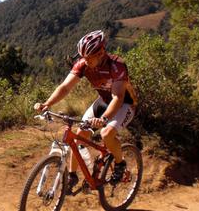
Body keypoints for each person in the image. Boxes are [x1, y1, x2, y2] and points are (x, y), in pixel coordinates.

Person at [35, 30, 137, 194]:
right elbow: (65, 87)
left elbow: (118, 97)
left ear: (101, 52)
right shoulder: (83, 64)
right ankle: (72, 176)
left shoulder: (117, 65)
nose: (85, 60)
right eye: (83, 57)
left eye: (89, 57)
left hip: (125, 105)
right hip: (103, 102)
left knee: (106, 133)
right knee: (80, 135)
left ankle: (120, 164)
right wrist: (47, 103)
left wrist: (103, 119)